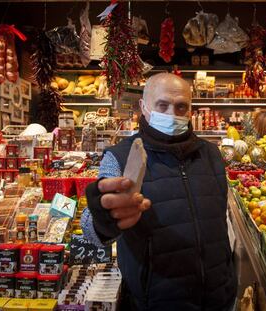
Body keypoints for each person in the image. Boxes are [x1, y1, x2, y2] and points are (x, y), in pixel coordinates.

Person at [82, 73, 237, 311]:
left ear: (191, 110)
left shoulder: (211, 155)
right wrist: (104, 218)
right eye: (162, 105)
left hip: (219, 298)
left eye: (181, 106)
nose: (172, 114)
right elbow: (90, 230)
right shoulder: (122, 157)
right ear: (144, 108)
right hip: (156, 301)